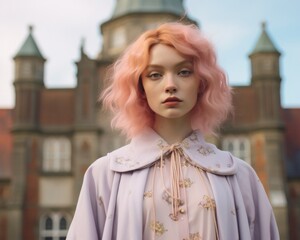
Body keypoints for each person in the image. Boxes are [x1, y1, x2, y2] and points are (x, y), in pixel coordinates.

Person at [66, 22, 279, 240]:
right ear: (140, 87)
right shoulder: (104, 175)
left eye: (184, 72)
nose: (170, 84)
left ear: (202, 82)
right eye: (155, 74)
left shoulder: (240, 176)